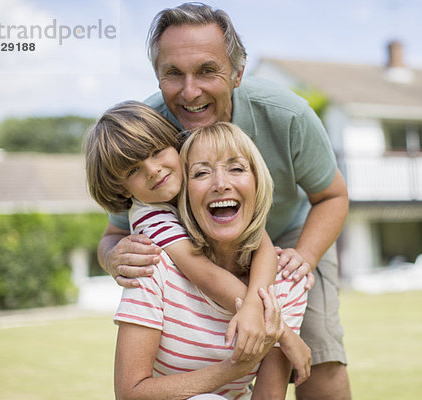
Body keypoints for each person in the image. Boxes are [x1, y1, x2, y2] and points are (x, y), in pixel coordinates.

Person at [98, 3, 351, 399]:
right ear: (158, 76)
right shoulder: (146, 137)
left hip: (285, 233)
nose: (190, 90)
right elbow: (114, 233)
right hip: (194, 243)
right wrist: (113, 257)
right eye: (173, 74)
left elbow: (333, 196)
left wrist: (304, 258)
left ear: (237, 73)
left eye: (207, 70)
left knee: (318, 354)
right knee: (200, 350)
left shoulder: (288, 115)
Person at [84, 101, 311, 385]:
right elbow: (205, 275)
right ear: (120, 187)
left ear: (174, 144)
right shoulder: (151, 216)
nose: (153, 170)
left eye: (156, 152)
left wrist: (259, 302)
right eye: (133, 171)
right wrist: (282, 334)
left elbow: (260, 241)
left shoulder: (193, 189)